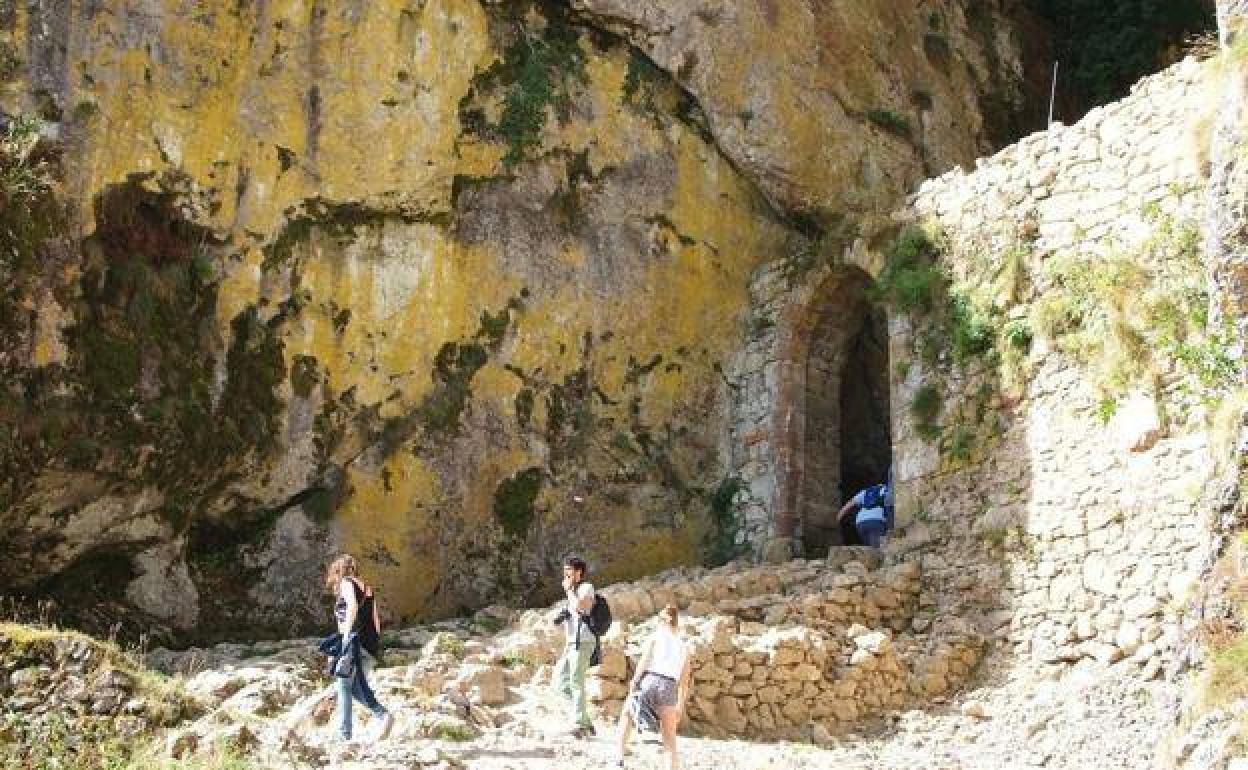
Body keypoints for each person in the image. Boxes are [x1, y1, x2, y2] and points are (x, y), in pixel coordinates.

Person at [325, 554, 393, 744]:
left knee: (343, 684)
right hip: (369, 644)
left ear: (339, 571)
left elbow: (353, 606)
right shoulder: (368, 589)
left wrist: (346, 636)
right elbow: (376, 621)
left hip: (354, 641)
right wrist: (374, 645)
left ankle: (344, 734)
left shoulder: (347, 583)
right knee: (354, 688)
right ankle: (383, 714)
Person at [614, 604, 691, 770]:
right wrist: (680, 706)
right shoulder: (684, 647)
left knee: (627, 714)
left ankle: (619, 758)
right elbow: (684, 682)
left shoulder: (657, 637)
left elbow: (644, 661)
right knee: (670, 739)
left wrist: (634, 681)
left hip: (650, 680)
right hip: (669, 686)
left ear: (661, 621)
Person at [552, 555, 596, 738]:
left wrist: (569, 591)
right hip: (572, 642)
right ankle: (585, 720)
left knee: (576, 681)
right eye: (565, 572)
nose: (566, 575)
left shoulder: (587, 588)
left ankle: (580, 725)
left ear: (579, 573)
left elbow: (582, 607)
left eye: (569, 571)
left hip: (584, 641)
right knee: (560, 682)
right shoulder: (574, 591)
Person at [837, 477, 893, 548]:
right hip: (876, 521)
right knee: (877, 549)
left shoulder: (865, 492)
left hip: (860, 522)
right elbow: (890, 505)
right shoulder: (886, 489)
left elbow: (849, 505)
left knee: (868, 548)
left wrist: (837, 518)